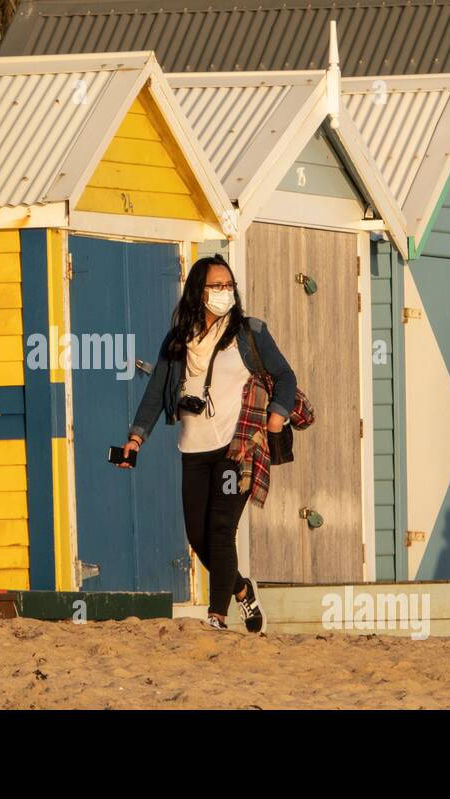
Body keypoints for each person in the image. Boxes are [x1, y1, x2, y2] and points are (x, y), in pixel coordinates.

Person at [116, 255, 297, 633]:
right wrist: (136, 438)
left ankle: (217, 616)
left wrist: (277, 414)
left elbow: (285, 375)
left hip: (237, 449)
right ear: (199, 292)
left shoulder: (249, 332)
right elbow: (155, 391)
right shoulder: (178, 340)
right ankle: (242, 590)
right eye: (217, 286)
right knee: (198, 537)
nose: (225, 292)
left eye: (229, 286)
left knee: (220, 530)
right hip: (194, 450)